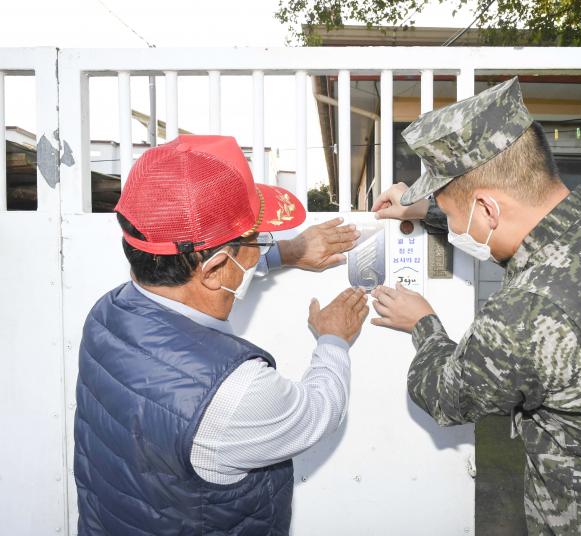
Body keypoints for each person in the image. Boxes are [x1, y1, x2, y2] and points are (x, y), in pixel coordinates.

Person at [370, 78, 581, 534]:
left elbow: (445, 395)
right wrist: (428, 211)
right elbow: (534, 237)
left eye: (454, 216)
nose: (455, 227)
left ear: (487, 210)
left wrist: (424, 324)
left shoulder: (522, 317)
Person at [74, 135, 368, 535]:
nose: (259, 250)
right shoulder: (233, 392)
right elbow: (317, 413)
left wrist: (287, 252)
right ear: (214, 269)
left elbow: (197, 272)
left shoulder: (106, 313)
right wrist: (333, 340)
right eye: (256, 241)